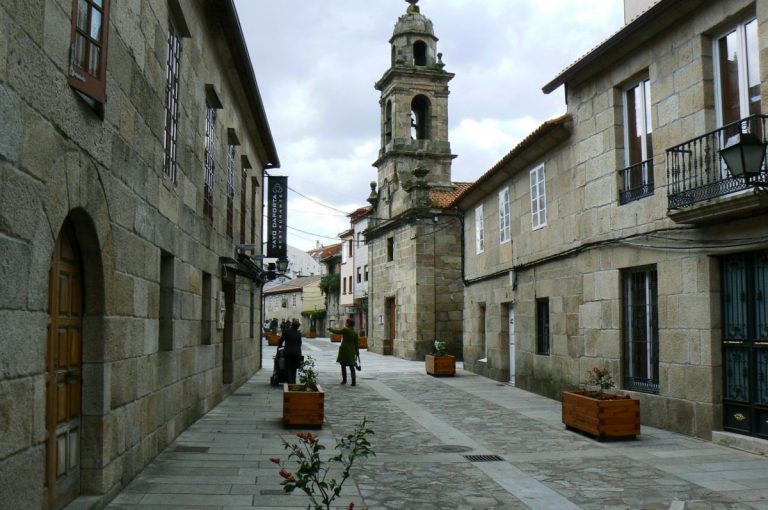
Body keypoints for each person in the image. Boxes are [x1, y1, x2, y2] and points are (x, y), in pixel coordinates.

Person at [329, 318, 359, 386]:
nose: (345, 323)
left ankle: (344, 380)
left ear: (348, 323)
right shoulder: (355, 332)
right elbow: (356, 343)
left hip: (344, 350)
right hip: (352, 350)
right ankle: (353, 382)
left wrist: (330, 329)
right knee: (352, 366)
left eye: (346, 322)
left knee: (343, 366)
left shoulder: (345, 330)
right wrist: (357, 352)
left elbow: (337, 332)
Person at [278, 319, 303, 384]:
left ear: (292, 325)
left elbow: (281, 340)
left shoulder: (286, 332)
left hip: (288, 352)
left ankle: (290, 382)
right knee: (294, 368)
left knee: (288, 368)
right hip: (296, 353)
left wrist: (279, 346)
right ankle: (293, 382)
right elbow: (300, 344)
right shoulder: (299, 333)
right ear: (297, 327)